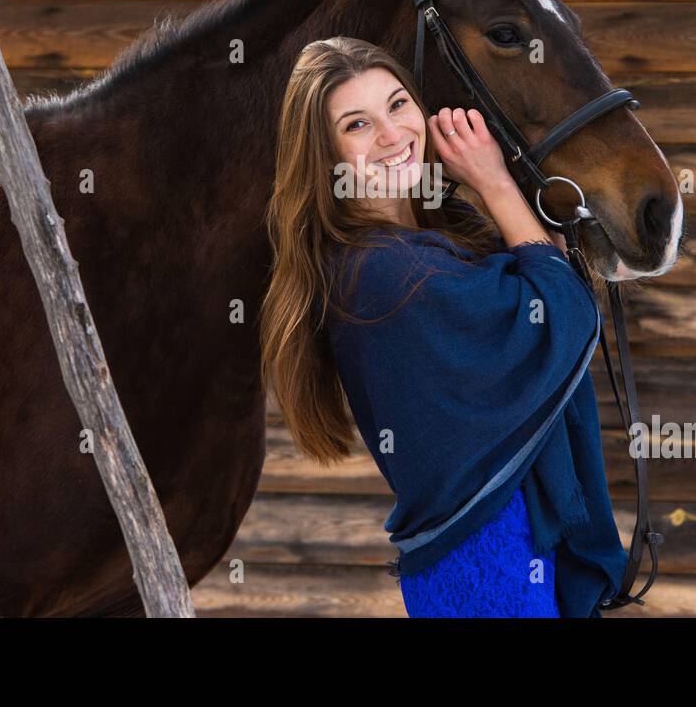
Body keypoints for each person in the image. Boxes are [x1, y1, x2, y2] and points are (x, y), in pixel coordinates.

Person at [260, 36, 628, 618]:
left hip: (516, 541)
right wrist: (498, 185)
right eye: (357, 125)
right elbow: (562, 312)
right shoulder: (381, 270)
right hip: (486, 557)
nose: (391, 135)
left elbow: (550, 279)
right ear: (324, 154)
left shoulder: (445, 233)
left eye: (398, 104)